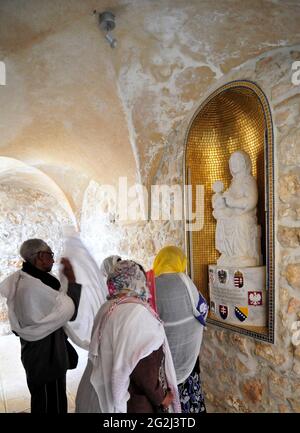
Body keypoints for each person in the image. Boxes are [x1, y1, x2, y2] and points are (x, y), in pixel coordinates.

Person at [75, 260, 180, 413]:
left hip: (96, 394)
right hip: (133, 402)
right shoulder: (138, 314)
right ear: (138, 281)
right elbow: (144, 370)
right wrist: (162, 397)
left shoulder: (107, 308)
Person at [0, 238, 82, 413]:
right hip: (45, 359)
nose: (53, 259)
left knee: (53, 400)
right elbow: (69, 310)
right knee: (48, 404)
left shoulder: (36, 280)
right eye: (50, 255)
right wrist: (72, 279)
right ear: (40, 256)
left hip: (45, 355)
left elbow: (59, 307)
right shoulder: (31, 287)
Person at [153, 246, 208, 413]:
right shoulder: (185, 282)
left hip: (161, 366)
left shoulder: (152, 286)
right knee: (188, 403)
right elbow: (202, 310)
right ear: (180, 262)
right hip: (187, 362)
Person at [212, 150, 261, 267]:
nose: (233, 163)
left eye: (237, 160)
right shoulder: (233, 183)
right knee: (222, 219)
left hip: (245, 216)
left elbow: (251, 201)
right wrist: (221, 202)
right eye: (232, 161)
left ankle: (241, 254)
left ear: (244, 163)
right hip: (233, 214)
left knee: (239, 221)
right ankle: (228, 253)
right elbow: (228, 202)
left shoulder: (248, 180)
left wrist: (234, 202)